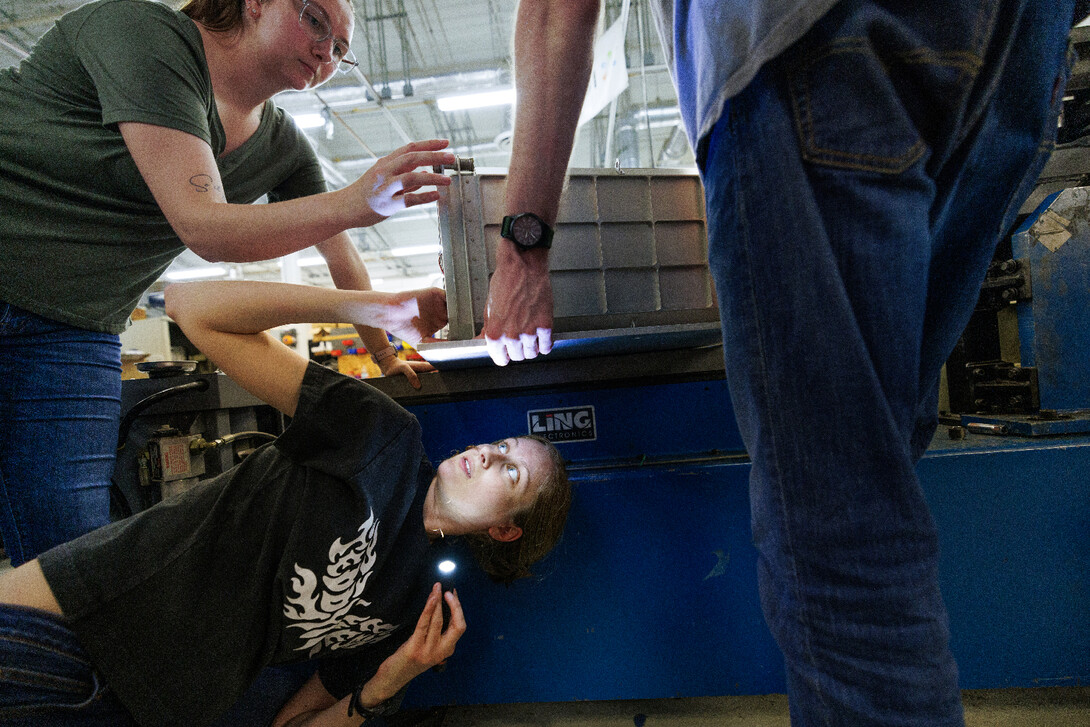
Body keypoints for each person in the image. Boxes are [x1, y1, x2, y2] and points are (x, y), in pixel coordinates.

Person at [481, 0, 1075, 724]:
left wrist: (523, 243)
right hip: (1020, 46)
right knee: (874, 479)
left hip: (815, 38)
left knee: (842, 542)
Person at [0, 0, 452, 568]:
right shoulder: (142, 35)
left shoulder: (282, 146)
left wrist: (387, 356)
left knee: (75, 564)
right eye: (314, 20)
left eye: (340, 48)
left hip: (74, 328)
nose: (325, 52)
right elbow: (205, 228)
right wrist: (351, 202)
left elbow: (341, 251)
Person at [0, 279, 572, 727]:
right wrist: (371, 309)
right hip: (68, 633)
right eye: (499, 445)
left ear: (505, 531)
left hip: (146, 713)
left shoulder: (412, 610)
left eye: (511, 472)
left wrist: (393, 679)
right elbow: (191, 304)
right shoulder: (383, 435)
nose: (487, 455)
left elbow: (292, 723)